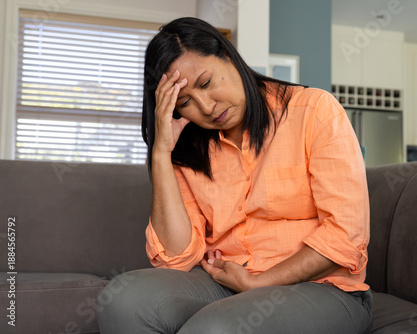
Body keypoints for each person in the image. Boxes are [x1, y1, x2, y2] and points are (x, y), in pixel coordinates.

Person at [97, 17, 372, 334]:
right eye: (185, 102)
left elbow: (345, 235)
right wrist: (161, 153)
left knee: (216, 328)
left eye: (205, 83)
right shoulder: (187, 147)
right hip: (226, 280)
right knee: (123, 301)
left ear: (228, 56)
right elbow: (176, 259)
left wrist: (260, 281)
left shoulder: (314, 110)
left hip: (322, 288)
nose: (207, 106)